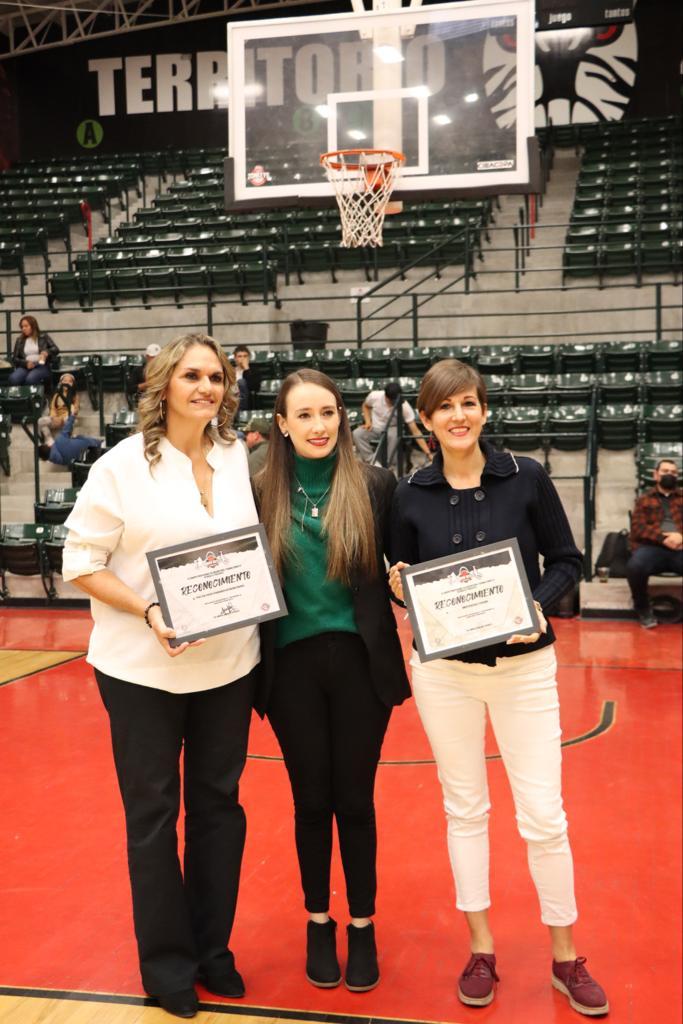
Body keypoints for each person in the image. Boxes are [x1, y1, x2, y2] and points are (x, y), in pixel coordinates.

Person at [389, 359, 608, 1018]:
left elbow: (567, 561)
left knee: (543, 814)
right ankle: (480, 946)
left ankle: (565, 956)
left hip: (524, 671)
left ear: (484, 410)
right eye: (443, 406)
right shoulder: (407, 494)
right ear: (424, 420)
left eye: (468, 402)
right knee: (464, 809)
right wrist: (398, 590)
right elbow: (400, 582)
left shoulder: (527, 477)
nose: (457, 415)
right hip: (443, 674)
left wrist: (538, 606)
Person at [61, 333, 260, 1020]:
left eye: (215, 377)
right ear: (163, 384)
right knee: (153, 819)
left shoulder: (240, 458)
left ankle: (213, 951)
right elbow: (80, 562)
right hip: (140, 669)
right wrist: (149, 608)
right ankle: (166, 965)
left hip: (229, 667)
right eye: (191, 376)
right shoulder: (120, 466)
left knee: (218, 813)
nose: (206, 387)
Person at [254, 369, 410, 994]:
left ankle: (363, 924)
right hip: (288, 666)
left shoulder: (375, 484)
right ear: (283, 426)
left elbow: (404, 569)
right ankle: (319, 921)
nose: (319, 426)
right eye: (305, 416)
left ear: (342, 417)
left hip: (358, 664)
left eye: (328, 413)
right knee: (310, 801)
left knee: (355, 800)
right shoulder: (258, 487)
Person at [626, 458, 682, 628]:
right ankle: (643, 609)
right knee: (635, 566)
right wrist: (663, 538)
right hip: (652, 548)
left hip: (680, 547)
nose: (669, 475)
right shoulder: (643, 499)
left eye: (673, 472)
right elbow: (638, 528)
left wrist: (680, 537)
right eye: (665, 471)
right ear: (656, 475)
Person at [352, 381, 431, 466]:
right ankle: (372, 462)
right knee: (357, 433)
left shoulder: (404, 407)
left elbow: (415, 431)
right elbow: (365, 406)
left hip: (392, 428)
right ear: (386, 397)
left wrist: (428, 453)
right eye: (393, 400)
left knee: (394, 433)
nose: (395, 402)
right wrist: (368, 421)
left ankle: (386, 465)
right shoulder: (375, 396)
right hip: (375, 428)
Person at [9, 314, 59, 386]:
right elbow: (15, 358)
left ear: (33, 326)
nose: (23, 329)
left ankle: (37, 396)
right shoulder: (19, 340)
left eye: (26, 326)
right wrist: (25, 363)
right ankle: (21, 396)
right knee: (13, 378)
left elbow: (55, 349)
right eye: (22, 327)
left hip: (41, 366)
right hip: (25, 366)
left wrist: (46, 352)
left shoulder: (43, 336)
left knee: (31, 379)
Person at [37, 371, 80, 444]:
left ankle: (66, 437)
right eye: (65, 381)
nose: (67, 383)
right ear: (60, 383)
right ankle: (49, 439)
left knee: (70, 418)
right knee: (41, 421)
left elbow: (75, 409)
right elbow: (53, 408)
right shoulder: (57, 395)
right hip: (56, 418)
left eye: (70, 381)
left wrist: (66, 417)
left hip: (67, 418)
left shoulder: (75, 396)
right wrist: (53, 417)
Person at [232, 345, 261, 411]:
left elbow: (254, 387)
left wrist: (246, 369)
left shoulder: (254, 371)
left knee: (241, 382)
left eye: (245, 356)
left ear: (249, 358)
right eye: (240, 356)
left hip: (246, 401)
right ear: (235, 358)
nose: (242, 359)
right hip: (231, 398)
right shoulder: (230, 371)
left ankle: (241, 412)